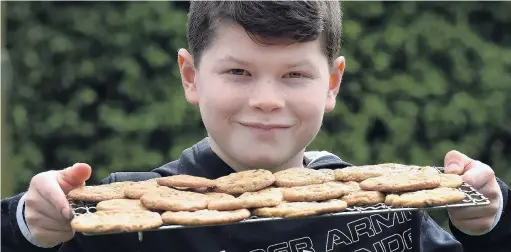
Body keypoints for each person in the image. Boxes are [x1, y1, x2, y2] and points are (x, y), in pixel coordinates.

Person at [2, 1, 510, 252]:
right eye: (238, 71)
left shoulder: (386, 211)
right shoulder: (121, 213)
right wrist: (30, 226)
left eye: (294, 74)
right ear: (190, 76)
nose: (266, 100)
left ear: (332, 84)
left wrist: (490, 219)